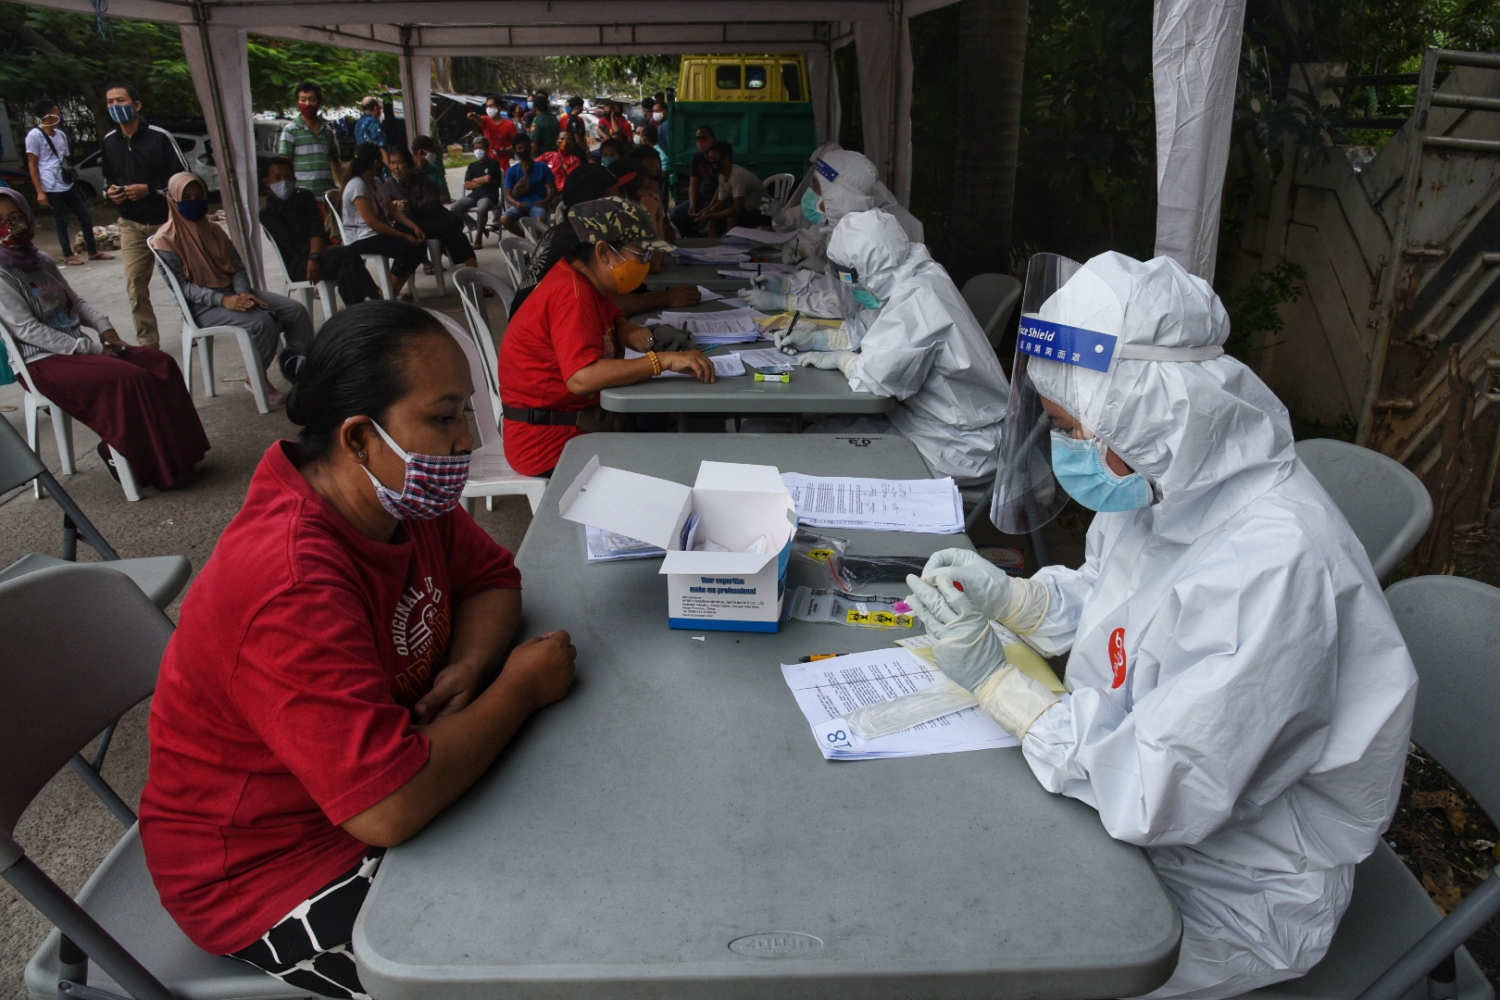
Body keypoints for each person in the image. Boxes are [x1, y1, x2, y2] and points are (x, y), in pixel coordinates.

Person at [903, 250, 1418, 1000]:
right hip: (1128, 822)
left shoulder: (1273, 569)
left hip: (1225, 893)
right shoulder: (1168, 480)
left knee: (966, 950)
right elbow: (1115, 597)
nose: (1062, 448)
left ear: (1143, 416)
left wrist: (1001, 687)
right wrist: (1018, 602)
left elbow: (1159, 790)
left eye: (1069, 428)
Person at [139, 300, 578, 1000]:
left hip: (379, 783)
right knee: (544, 960)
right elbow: (389, 808)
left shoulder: (399, 500)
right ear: (359, 437)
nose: (466, 440)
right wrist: (516, 690)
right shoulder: (290, 582)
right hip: (274, 873)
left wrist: (468, 665)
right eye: (444, 418)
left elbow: (492, 581)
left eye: (466, 411)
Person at [0, 187, 208, 490]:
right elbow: (26, 330)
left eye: (16, 217)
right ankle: (129, 459)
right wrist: (94, 348)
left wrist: (105, 329)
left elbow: (76, 303)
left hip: (77, 349)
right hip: (41, 361)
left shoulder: (41, 260)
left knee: (160, 363)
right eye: (2, 221)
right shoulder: (2, 273)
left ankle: (180, 457)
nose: (11, 226)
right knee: (130, 379)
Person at [783, 210, 1010, 484]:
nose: (853, 288)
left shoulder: (916, 300)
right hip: (927, 423)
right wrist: (820, 339)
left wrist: (843, 360)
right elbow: (874, 328)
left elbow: (875, 380)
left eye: (854, 280)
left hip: (955, 447)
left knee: (818, 450)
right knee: (819, 435)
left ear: (872, 273)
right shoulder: (908, 275)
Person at [498, 198, 714, 477]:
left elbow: (613, 314)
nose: (646, 264)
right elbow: (581, 377)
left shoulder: (586, 281)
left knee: (667, 428)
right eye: (641, 255)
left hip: (576, 421)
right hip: (551, 443)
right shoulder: (572, 296)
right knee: (674, 458)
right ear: (604, 252)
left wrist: (627, 330)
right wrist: (663, 361)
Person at [153, 173, 313, 399]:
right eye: (186, 198)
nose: (194, 202)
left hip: (233, 291)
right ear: (173, 199)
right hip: (202, 306)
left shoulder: (213, 230)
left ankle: (302, 372)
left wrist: (242, 292)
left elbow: (237, 267)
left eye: (198, 196)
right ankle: (255, 378)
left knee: (296, 312)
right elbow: (182, 288)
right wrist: (224, 300)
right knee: (262, 321)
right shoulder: (165, 240)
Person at [510, 165, 699, 318]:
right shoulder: (578, 240)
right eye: (615, 194)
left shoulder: (579, 228)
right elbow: (609, 304)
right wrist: (667, 298)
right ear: (597, 203)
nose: (622, 199)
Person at [101, 80, 190, 348]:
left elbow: (184, 178)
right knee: (135, 284)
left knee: (182, 278)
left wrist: (150, 189)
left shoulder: (160, 137)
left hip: (167, 222)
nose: (115, 106)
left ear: (137, 105)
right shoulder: (110, 141)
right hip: (131, 223)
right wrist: (111, 193)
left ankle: (194, 324)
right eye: (110, 102)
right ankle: (148, 341)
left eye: (121, 101)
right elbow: (107, 178)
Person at [260, 157, 380, 309]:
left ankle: (358, 311)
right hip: (299, 264)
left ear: (294, 178)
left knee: (344, 269)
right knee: (346, 254)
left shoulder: (305, 197)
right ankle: (375, 300)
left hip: (321, 254)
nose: (284, 182)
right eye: (277, 178)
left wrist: (315, 255)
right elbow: (293, 246)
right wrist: (315, 256)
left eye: (288, 177)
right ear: (267, 182)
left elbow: (317, 228)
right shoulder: (267, 213)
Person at [339, 143, 428, 302]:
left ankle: (390, 293)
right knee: (407, 248)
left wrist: (413, 227)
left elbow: (392, 210)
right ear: (375, 162)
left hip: (377, 233)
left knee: (420, 245)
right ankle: (386, 298)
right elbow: (373, 223)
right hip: (362, 237)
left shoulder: (376, 181)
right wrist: (403, 235)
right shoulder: (357, 185)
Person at [26, 100, 109, 266]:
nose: (60, 116)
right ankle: (68, 255)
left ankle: (92, 251)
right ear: (48, 116)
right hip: (50, 184)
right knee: (61, 220)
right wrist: (40, 191)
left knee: (84, 216)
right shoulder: (34, 136)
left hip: (66, 182)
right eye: (57, 113)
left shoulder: (61, 135)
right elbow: (32, 164)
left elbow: (65, 158)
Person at [384, 146, 476, 273]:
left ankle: (476, 277)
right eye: (392, 163)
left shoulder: (420, 178)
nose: (395, 167)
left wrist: (410, 205)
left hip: (433, 221)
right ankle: (419, 269)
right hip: (410, 225)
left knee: (458, 238)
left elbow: (432, 201)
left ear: (408, 163)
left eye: (399, 162)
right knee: (406, 244)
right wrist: (394, 204)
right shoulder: (389, 184)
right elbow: (386, 207)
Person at [277, 82, 344, 200]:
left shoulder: (327, 131)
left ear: (319, 102)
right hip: (301, 197)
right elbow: (283, 164)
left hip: (327, 196)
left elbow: (336, 162)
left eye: (312, 99)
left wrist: (344, 188)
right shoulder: (290, 130)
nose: (307, 104)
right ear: (297, 102)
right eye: (303, 99)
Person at [693, 141, 768, 236]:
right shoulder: (722, 176)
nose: (711, 163)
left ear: (725, 158)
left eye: (714, 159)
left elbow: (737, 209)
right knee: (713, 222)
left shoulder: (737, 175)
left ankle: (733, 244)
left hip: (763, 213)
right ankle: (715, 245)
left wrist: (708, 216)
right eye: (710, 160)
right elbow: (720, 204)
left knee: (732, 219)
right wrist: (706, 213)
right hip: (749, 210)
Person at [451, 137, 504, 246]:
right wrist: (483, 180)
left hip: (489, 196)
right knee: (454, 208)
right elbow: (467, 185)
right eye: (476, 148)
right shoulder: (472, 166)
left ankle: (478, 236)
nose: (478, 150)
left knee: (482, 208)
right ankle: (476, 226)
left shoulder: (493, 163)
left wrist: (475, 180)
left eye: (480, 148)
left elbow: (488, 179)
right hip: (474, 196)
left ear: (487, 148)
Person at [499, 134, 556, 236]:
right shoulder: (512, 171)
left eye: (525, 147)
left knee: (540, 220)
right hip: (519, 205)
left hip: (537, 205)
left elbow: (553, 190)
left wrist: (545, 201)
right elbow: (507, 194)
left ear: (530, 147)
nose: (523, 150)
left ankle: (535, 241)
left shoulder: (542, 167)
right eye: (519, 148)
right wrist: (516, 204)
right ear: (515, 151)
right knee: (504, 219)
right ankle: (527, 239)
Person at [668, 127, 719, 237]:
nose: (700, 143)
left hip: (719, 201)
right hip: (703, 200)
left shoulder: (719, 157)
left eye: (704, 138)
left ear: (713, 139)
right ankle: (695, 238)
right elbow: (693, 184)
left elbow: (722, 188)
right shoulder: (697, 157)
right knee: (675, 215)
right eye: (698, 139)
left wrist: (709, 209)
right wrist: (692, 204)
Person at [467, 96, 516, 170]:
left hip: (504, 164)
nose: (488, 108)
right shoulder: (486, 120)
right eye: (487, 106)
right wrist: (474, 115)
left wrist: (505, 150)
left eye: (491, 106)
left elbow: (515, 144)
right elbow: (479, 119)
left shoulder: (509, 124)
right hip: (489, 162)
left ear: (499, 107)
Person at [354, 97, 388, 167]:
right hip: (375, 163)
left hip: (362, 161)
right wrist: (388, 167)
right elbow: (381, 145)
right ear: (376, 108)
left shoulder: (358, 124)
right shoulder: (373, 122)